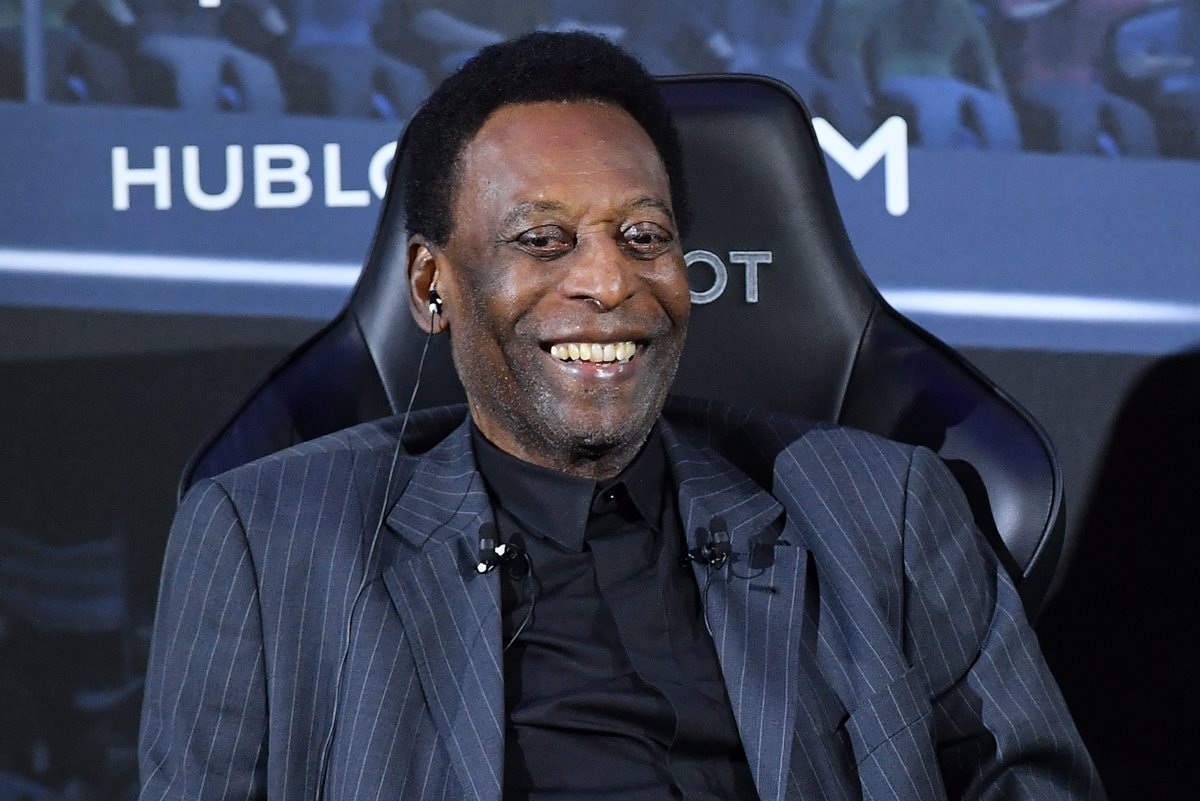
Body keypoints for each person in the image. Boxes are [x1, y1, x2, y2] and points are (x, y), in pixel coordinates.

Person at [137, 31, 1104, 801]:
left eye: (644, 235)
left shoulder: (882, 512)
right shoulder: (267, 542)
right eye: (543, 239)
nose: (608, 280)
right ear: (432, 285)